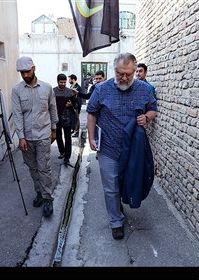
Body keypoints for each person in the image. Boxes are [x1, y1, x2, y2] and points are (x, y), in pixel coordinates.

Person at [86, 53, 157, 239]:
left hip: (133, 148)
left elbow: (153, 109)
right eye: (120, 74)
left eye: (128, 74)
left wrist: (146, 117)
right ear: (114, 70)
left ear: (135, 71)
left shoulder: (144, 89)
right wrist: (91, 137)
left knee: (128, 180)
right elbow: (92, 113)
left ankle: (120, 204)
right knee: (110, 187)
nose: (124, 78)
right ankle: (116, 221)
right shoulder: (101, 89)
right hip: (108, 147)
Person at [11, 56, 58, 217]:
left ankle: (47, 198)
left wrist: (54, 129)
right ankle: (39, 192)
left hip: (44, 135)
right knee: (33, 168)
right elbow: (17, 115)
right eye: (21, 72)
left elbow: (53, 109)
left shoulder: (47, 88)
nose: (24, 75)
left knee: (44, 168)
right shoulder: (17, 90)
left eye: (26, 71)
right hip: (27, 138)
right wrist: (21, 137)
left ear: (34, 68)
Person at [54, 74, 77, 167]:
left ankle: (67, 158)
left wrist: (71, 105)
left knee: (68, 138)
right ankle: (62, 152)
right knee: (58, 137)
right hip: (56, 118)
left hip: (67, 119)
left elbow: (76, 104)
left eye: (64, 82)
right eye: (61, 82)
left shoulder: (69, 92)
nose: (63, 84)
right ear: (57, 82)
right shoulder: (53, 92)